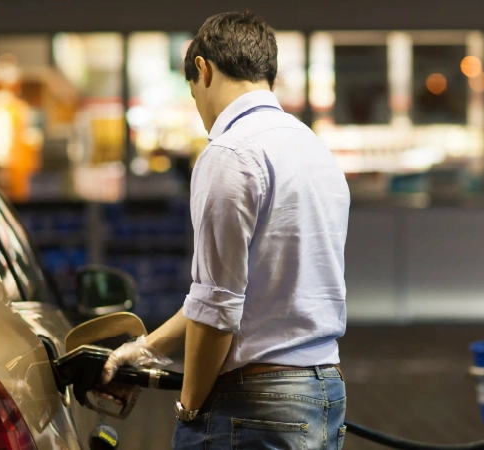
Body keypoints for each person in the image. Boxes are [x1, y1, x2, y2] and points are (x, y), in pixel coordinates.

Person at [101, 11, 350, 450]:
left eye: (193, 92)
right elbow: (239, 295)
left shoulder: (229, 152)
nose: (198, 106)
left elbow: (219, 308)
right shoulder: (315, 150)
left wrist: (190, 409)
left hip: (252, 408)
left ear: (203, 69)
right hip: (321, 394)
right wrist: (147, 348)